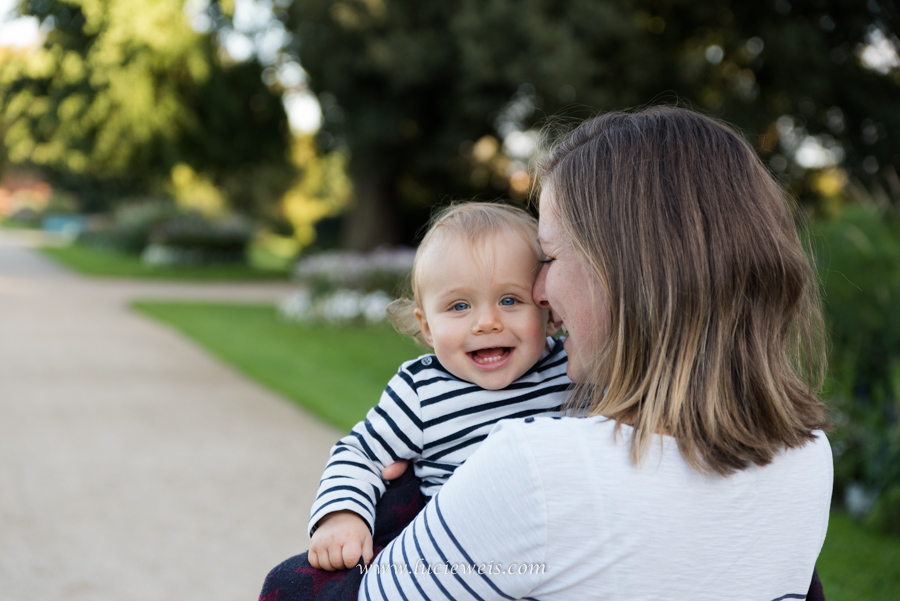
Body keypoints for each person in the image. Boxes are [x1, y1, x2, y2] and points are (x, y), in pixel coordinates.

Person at [353, 106, 833, 600]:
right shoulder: (809, 456)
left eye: (551, 258)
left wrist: (398, 503)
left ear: (625, 278)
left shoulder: (534, 470)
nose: (538, 292)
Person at [259, 202, 571, 599]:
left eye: (510, 300)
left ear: (548, 310)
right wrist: (343, 516)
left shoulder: (567, 370)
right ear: (426, 326)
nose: (487, 322)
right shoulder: (422, 390)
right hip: (461, 566)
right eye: (459, 306)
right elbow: (361, 453)